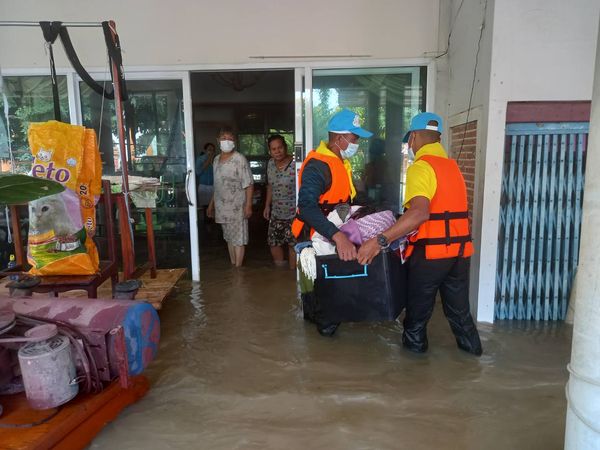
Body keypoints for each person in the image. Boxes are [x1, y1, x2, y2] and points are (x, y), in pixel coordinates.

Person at [357, 112, 482, 356]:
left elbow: (419, 214)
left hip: (430, 255)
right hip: (458, 253)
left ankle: (413, 379)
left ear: (413, 137)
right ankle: (473, 355)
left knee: (416, 319)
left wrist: (379, 240)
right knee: (460, 315)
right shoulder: (452, 167)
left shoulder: (421, 167)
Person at [291, 109, 373, 262]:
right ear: (340, 138)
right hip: (315, 239)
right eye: (354, 139)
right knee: (320, 284)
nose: (357, 144)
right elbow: (306, 206)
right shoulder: (318, 166)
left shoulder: (340, 162)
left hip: (333, 234)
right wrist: (338, 237)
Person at [207, 127, 254, 267]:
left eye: (230, 138)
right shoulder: (215, 160)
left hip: (237, 207)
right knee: (228, 238)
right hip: (222, 208)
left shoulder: (239, 159)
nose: (226, 141)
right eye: (223, 138)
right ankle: (234, 266)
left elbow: (249, 184)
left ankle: (238, 270)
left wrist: (248, 205)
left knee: (238, 239)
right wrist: (211, 205)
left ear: (234, 142)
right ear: (218, 140)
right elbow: (218, 185)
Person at [263, 134, 296, 269]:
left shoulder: (295, 164)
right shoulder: (270, 164)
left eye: (280, 148)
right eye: (274, 149)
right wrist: (267, 206)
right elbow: (270, 186)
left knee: (292, 244)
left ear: (286, 147)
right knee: (274, 242)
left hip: (294, 212)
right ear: (270, 151)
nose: (277, 151)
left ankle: (293, 274)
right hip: (276, 212)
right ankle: (281, 274)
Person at [196, 142, 215, 208]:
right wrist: (208, 159)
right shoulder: (200, 159)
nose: (211, 151)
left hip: (213, 186)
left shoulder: (216, 159)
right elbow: (198, 172)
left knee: (213, 206)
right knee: (204, 207)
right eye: (209, 149)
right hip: (203, 186)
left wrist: (212, 160)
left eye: (213, 150)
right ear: (205, 150)